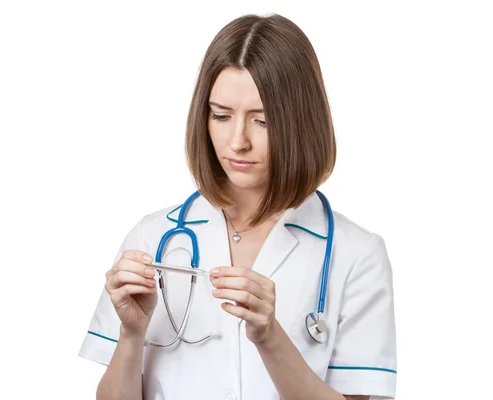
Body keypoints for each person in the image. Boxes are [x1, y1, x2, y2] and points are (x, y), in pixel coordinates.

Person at [78, 13, 397, 400]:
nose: (237, 141)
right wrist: (131, 333)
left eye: (262, 121)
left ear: (301, 123)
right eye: (221, 116)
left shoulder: (355, 254)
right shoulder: (154, 236)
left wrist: (270, 337)